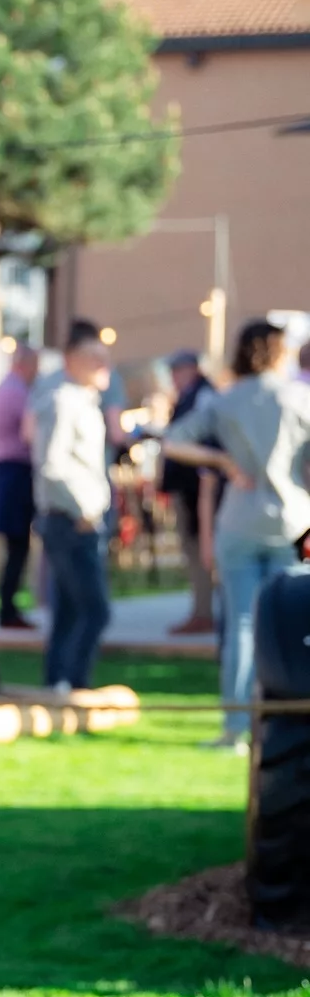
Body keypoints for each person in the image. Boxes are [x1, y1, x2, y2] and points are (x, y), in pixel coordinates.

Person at [163, 318, 310, 751]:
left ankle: (235, 729)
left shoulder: (227, 400)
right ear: (278, 352)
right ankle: (288, 722)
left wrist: (222, 461)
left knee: (242, 627)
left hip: (239, 520)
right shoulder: (299, 397)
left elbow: (173, 441)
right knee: (294, 626)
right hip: (292, 521)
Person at [29, 325, 113, 696]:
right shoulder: (63, 401)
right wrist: (83, 511)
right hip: (70, 520)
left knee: (68, 611)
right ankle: (75, 687)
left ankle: (57, 685)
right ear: (71, 360)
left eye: (105, 357)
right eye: (94, 358)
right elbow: (51, 464)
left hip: (77, 518)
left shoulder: (85, 401)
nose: (103, 365)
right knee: (95, 611)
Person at [0, 342, 40, 628]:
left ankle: (8, 608)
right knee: (18, 547)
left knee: (15, 547)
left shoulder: (4, 390)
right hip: (15, 473)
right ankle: (8, 610)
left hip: (6, 473)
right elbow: (31, 434)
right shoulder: (17, 393)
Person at [160, 349, 216, 634]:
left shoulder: (204, 397)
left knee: (201, 549)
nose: (173, 377)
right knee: (194, 550)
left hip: (199, 488)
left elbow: (205, 440)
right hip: (190, 487)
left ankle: (204, 612)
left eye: (177, 371)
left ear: (191, 369)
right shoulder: (188, 397)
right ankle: (201, 609)